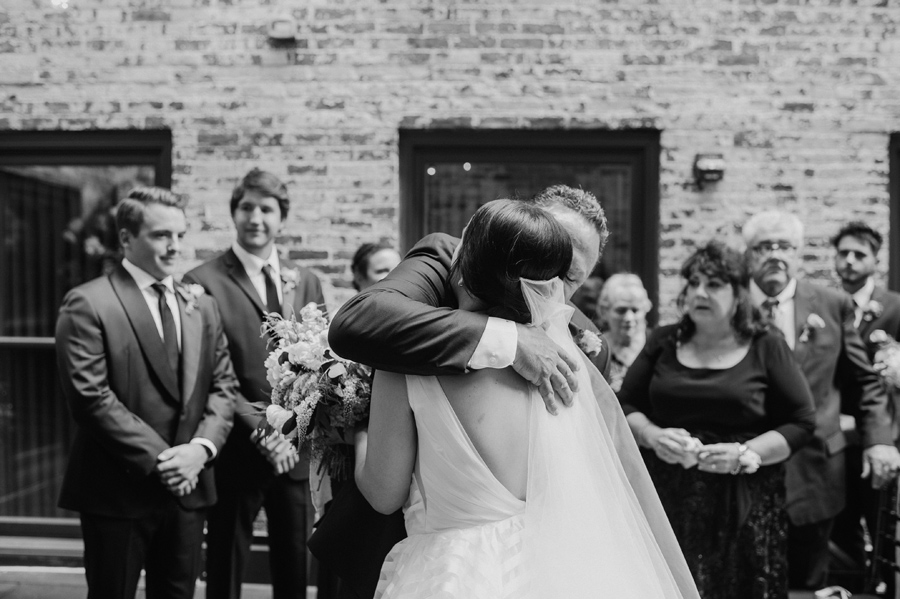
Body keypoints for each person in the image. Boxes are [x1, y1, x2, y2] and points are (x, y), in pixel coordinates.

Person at [355, 199, 700, 598]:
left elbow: (383, 494)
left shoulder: (403, 362)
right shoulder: (566, 364)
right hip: (556, 570)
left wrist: (360, 428)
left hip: (453, 575)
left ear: (461, 263)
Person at [315, 185, 613, 598]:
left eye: (569, 276)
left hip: (466, 569)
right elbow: (359, 321)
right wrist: (508, 339)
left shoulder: (585, 353)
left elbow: (384, 489)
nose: (552, 288)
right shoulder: (441, 256)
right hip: (412, 552)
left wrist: (362, 425)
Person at [55, 186, 238, 599]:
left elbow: (223, 386)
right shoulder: (88, 303)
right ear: (125, 239)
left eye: (180, 235)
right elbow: (91, 397)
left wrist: (200, 450)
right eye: (161, 235)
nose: (175, 247)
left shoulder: (201, 306)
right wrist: (163, 461)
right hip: (117, 491)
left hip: (189, 489)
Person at [617, 240, 816, 599]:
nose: (699, 293)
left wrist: (744, 453)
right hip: (668, 496)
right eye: (692, 283)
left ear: (739, 292)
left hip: (742, 503)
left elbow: (802, 422)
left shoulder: (766, 344)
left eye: (713, 284)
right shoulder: (664, 340)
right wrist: (652, 435)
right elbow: (624, 406)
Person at [184, 169, 326, 599]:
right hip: (235, 450)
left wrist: (290, 432)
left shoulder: (307, 280)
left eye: (267, 209)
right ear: (234, 213)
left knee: (294, 570)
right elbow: (210, 374)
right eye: (247, 207)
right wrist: (265, 430)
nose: (256, 218)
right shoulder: (202, 282)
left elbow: (319, 363)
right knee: (224, 566)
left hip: (295, 452)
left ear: (281, 217)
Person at [741, 210, 900, 590]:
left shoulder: (830, 303)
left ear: (798, 253)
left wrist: (879, 440)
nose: (775, 254)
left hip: (816, 470)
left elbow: (863, 381)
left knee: (810, 585)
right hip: (746, 465)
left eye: (785, 246)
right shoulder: (731, 302)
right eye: (765, 247)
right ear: (748, 254)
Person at [312, 241, 405, 599]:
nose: (394, 277)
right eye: (382, 271)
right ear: (359, 279)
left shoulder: (407, 327)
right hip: (350, 467)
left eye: (397, 268)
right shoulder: (337, 331)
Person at [829, 221, 900, 591]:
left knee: (883, 525)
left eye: (859, 255)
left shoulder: (895, 307)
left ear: (876, 260)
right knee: (841, 527)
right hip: (836, 439)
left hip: (882, 434)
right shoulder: (825, 305)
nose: (850, 261)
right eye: (843, 254)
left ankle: (887, 585)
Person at [597, 273, 652, 393]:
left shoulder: (655, 344)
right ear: (605, 311)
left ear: (645, 310)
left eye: (635, 310)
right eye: (621, 310)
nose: (628, 318)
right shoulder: (597, 348)